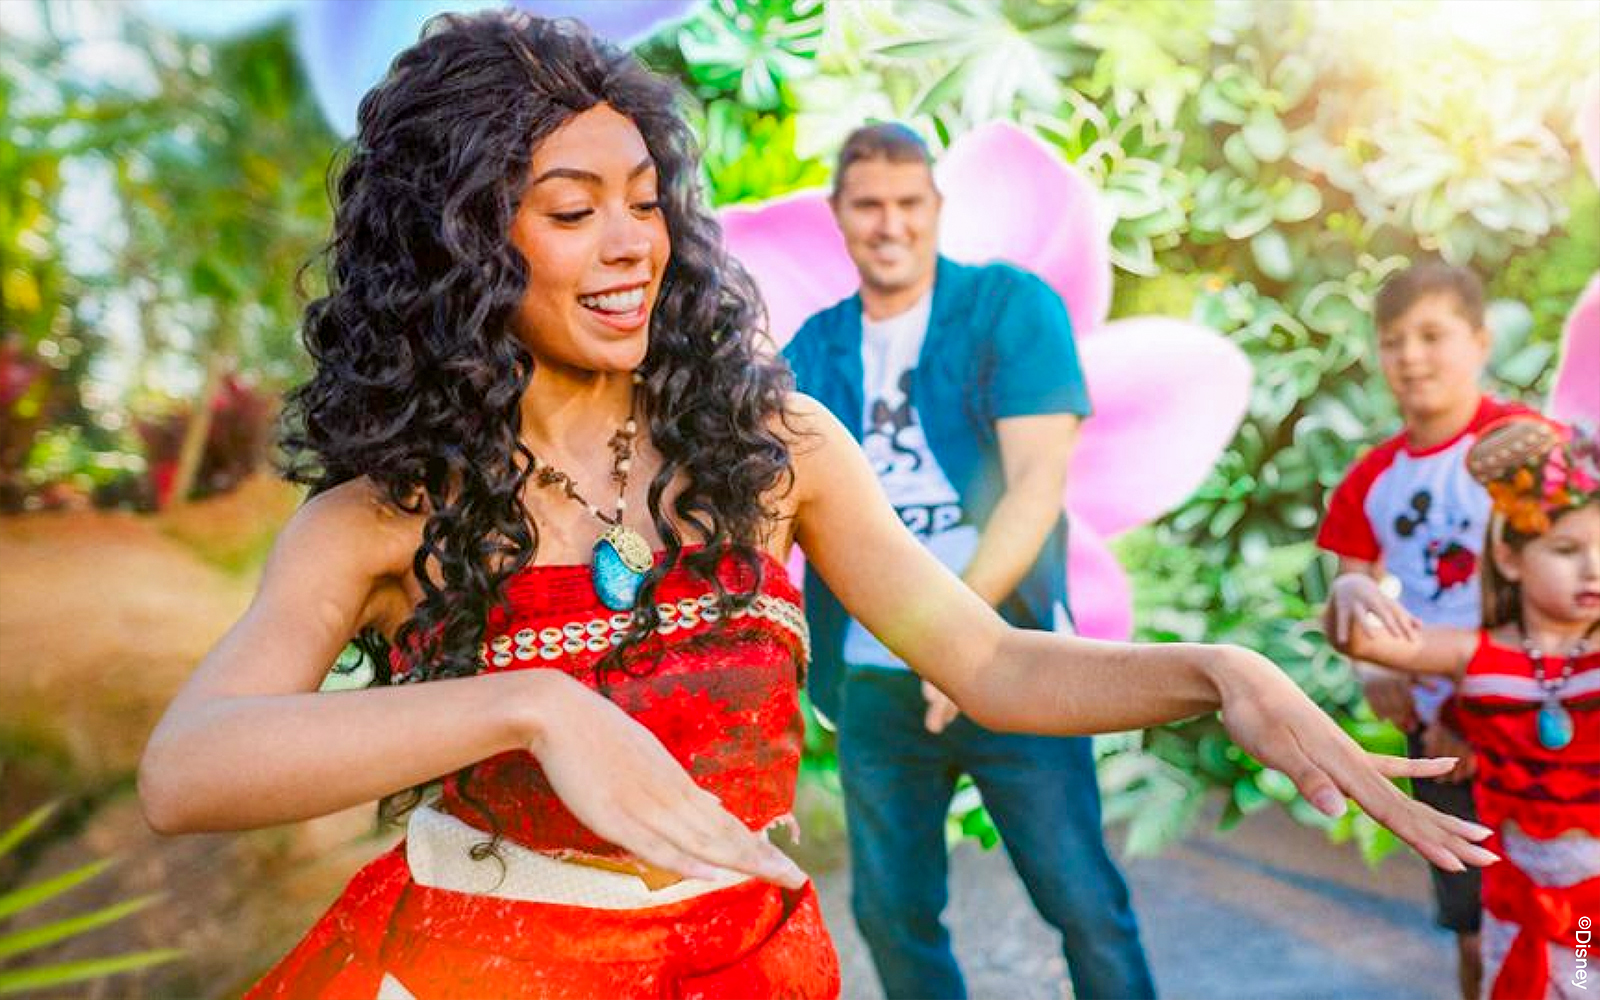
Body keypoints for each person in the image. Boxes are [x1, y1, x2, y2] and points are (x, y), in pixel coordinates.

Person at [137, 12, 1495, 999]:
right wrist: (529, 705)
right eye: (571, 211)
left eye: (645, 201)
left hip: (748, 965)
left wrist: (1216, 670)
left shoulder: (775, 447)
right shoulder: (384, 520)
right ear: (460, 245)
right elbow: (186, 771)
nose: (632, 245)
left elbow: (990, 660)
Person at [782, 123, 1153, 999]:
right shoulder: (812, 346)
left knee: (1082, 900)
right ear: (839, 215)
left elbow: (1036, 484)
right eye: (868, 205)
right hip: (875, 680)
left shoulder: (1009, 307)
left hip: (1013, 658)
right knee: (890, 912)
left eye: (909, 203)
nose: (890, 224)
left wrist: (964, 641)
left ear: (937, 208)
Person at [1318, 261, 1531, 999]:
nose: (1410, 356)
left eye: (1432, 335)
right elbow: (1353, 596)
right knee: (1474, 924)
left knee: (1572, 910)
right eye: (1392, 340)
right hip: (1435, 733)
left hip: (1536, 717)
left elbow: (1566, 604)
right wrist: (1373, 669)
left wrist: (1479, 710)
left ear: (1479, 341)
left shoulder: (1526, 448)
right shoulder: (1371, 478)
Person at [1332, 415, 1600, 1000]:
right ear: (1509, 558)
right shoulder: (1473, 655)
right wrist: (1350, 590)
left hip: (1586, 914)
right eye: (1566, 549)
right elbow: (1359, 639)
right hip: (1516, 896)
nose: (1594, 568)